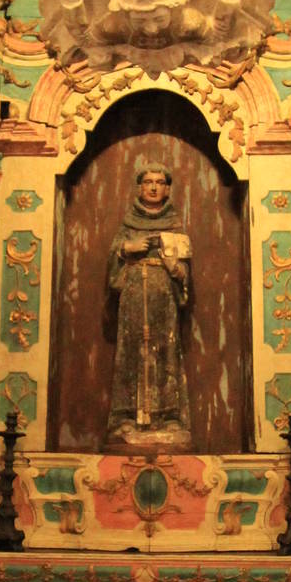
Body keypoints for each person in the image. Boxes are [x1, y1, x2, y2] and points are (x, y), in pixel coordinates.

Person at [106, 161, 192, 449]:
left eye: (159, 182)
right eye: (148, 182)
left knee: (166, 351)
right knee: (130, 351)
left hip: (164, 296)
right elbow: (112, 263)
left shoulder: (175, 224)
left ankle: (169, 416)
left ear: (167, 190)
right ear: (139, 188)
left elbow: (185, 272)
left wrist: (174, 266)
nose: (154, 187)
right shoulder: (128, 225)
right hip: (133, 294)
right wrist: (125, 249)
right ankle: (125, 417)